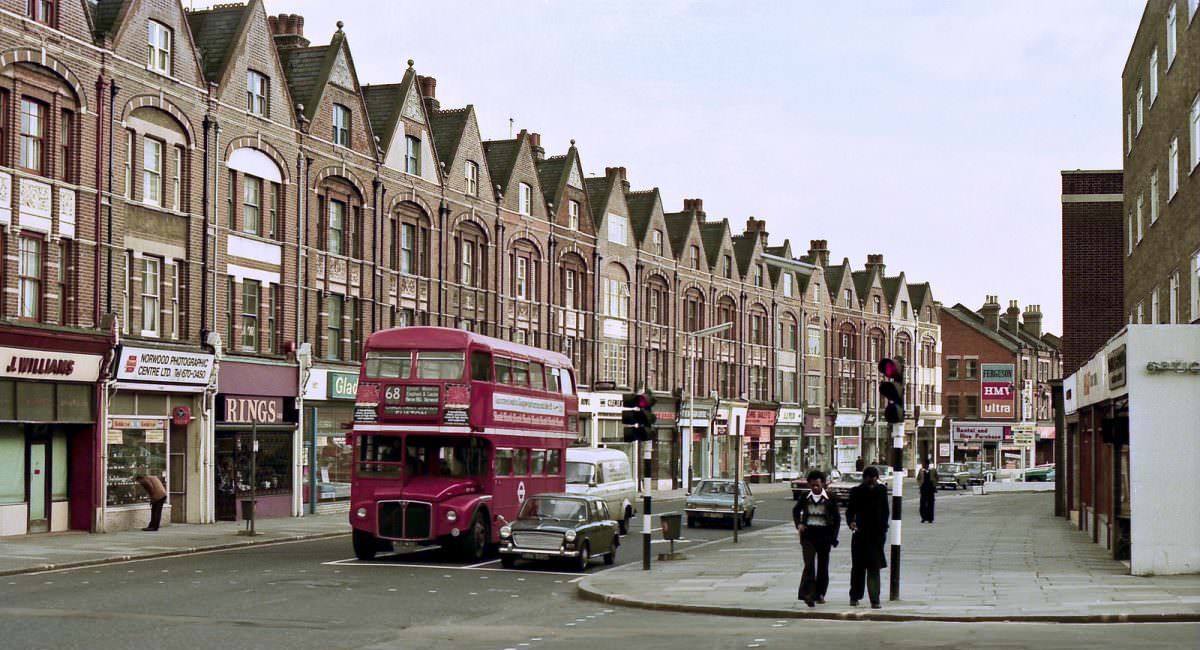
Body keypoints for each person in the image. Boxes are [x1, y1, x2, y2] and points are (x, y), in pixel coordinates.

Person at [792, 470, 840, 607]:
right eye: (812, 485)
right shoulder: (804, 497)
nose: (815, 488)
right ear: (809, 485)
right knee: (809, 564)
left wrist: (834, 537)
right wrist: (799, 524)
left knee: (823, 567)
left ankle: (820, 593)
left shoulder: (830, 498)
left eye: (817, 485)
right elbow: (796, 511)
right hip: (808, 536)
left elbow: (836, 519)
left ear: (823, 484)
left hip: (824, 536)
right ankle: (808, 594)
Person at [845, 465, 889, 608]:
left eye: (875, 480)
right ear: (864, 479)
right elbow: (850, 510)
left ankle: (874, 599)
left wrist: (883, 530)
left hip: (876, 535)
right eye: (870, 480)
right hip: (860, 533)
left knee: (874, 567)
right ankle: (855, 596)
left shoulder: (881, 491)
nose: (872, 482)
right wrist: (851, 522)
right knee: (858, 567)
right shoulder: (856, 492)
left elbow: (885, 512)